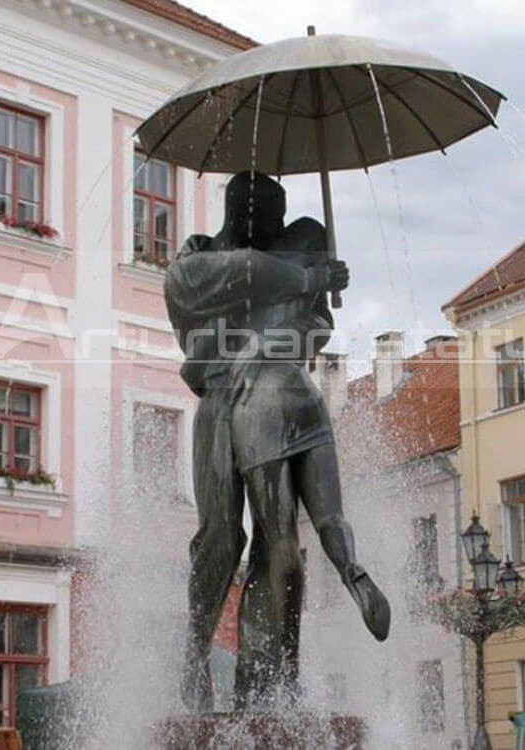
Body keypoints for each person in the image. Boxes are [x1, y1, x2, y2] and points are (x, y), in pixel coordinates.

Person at [164, 172, 390, 711]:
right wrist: (303, 277)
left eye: (281, 213)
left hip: (271, 399)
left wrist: (302, 302)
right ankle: (191, 657)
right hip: (218, 405)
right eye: (268, 211)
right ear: (241, 211)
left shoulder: (293, 256)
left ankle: (264, 681)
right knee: (220, 539)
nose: (277, 223)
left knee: (279, 544)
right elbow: (223, 278)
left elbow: (313, 330)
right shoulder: (197, 257)